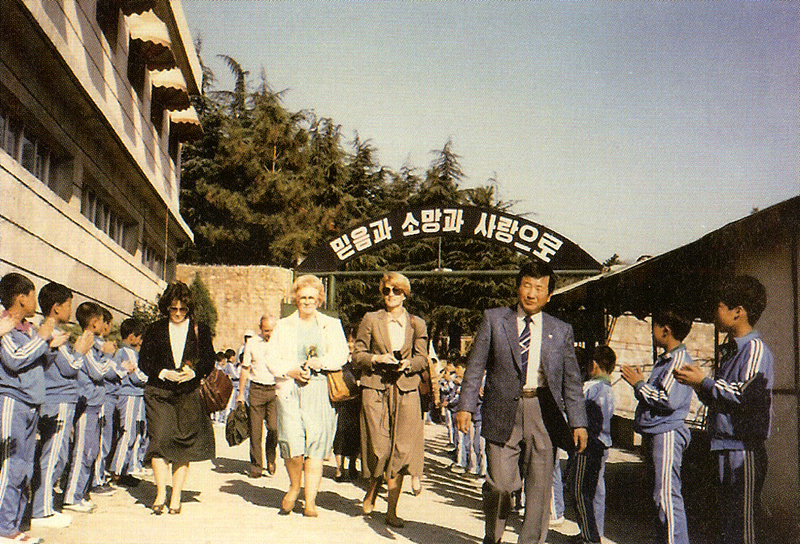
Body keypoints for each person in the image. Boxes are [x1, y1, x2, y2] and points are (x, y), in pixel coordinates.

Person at [456, 260, 588, 544]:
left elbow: (571, 381)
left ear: (548, 295)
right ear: (518, 288)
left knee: (539, 490)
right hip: (502, 410)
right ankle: (493, 537)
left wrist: (579, 422)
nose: (531, 293)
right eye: (527, 285)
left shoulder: (560, 330)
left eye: (539, 288)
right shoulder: (494, 320)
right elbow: (475, 366)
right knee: (500, 485)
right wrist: (465, 405)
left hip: (544, 412)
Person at [674, 276, 774, 544]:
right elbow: (722, 399)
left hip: (743, 450)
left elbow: (745, 394)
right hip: (724, 447)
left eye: (718, 307)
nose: (713, 313)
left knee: (742, 526)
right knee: (728, 524)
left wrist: (704, 383)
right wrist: (698, 385)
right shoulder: (730, 352)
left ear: (737, 312)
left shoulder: (754, 349)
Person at [265, 275, 348, 518]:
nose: (307, 301)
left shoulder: (331, 324)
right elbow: (271, 358)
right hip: (290, 389)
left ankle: (310, 501)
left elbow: (341, 355)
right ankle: (294, 486)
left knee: (316, 445)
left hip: (320, 389)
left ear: (319, 299)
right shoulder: (284, 325)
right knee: (292, 443)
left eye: (312, 297)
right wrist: (289, 370)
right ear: (296, 299)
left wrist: (321, 362)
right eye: (303, 297)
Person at [352, 272, 429, 528]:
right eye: (386, 291)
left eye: (396, 291)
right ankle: (373, 487)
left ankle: (392, 510)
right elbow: (357, 354)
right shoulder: (371, 319)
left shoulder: (417, 323)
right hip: (375, 387)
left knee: (401, 449)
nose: (391, 295)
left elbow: (422, 359)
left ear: (405, 294)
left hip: (406, 390)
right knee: (379, 447)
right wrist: (376, 359)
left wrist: (408, 364)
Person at [138, 281, 216, 515]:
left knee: (183, 445)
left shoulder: (199, 329)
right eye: (174, 309)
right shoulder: (155, 329)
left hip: (187, 393)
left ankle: (176, 495)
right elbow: (144, 361)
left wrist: (194, 372)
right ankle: (161, 492)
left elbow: (209, 359)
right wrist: (163, 372)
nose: (179, 313)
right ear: (166, 307)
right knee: (159, 440)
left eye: (183, 309)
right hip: (159, 393)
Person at [0, 273, 67, 544]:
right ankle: (3, 528)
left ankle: (14, 526)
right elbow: (15, 359)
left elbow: (37, 364)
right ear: (21, 298)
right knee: (11, 466)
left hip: (31, 403)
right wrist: (42, 339)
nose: (35, 302)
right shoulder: (5, 325)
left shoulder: (27, 328)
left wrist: (49, 347)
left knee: (24, 467)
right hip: (13, 401)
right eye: (32, 296)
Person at [621, 308, 694, 544]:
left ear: (665, 330)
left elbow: (668, 399)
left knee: (666, 496)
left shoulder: (678, 362)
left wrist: (639, 384)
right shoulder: (666, 361)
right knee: (660, 496)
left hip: (667, 432)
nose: (651, 331)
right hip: (658, 431)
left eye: (654, 326)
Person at [31, 283, 91, 529]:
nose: (70, 311)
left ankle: (42, 506)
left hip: (55, 399)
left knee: (55, 454)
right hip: (59, 399)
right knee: (54, 454)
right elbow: (70, 367)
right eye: (68, 305)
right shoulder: (53, 332)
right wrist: (80, 351)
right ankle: (41, 510)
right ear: (56, 308)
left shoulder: (45, 330)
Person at [63, 302, 114, 514]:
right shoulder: (86, 344)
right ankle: (72, 496)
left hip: (95, 404)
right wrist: (109, 355)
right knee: (82, 452)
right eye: (102, 321)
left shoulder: (93, 345)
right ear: (94, 323)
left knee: (90, 452)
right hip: (87, 405)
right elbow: (97, 372)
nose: (104, 325)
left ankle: (81, 494)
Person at [573, 345, 616, 544]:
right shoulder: (609, 389)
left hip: (589, 443)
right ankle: (595, 530)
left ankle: (589, 536)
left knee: (580, 490)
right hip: (603, 443)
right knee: (597, 490)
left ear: (594, 365)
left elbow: (576, 409)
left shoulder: (591, 387)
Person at [237, 316, 279, 479]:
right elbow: (245, 368)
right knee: (255, 431)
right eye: (266, 330)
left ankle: (271, 457)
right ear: (260, 328)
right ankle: (256, 466)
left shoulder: (280, 342)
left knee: (274, 428)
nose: (269, 334)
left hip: (274, 390)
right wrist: (241, 393)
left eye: (271, 330)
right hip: (256, 389)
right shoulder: (252, 343)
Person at [109, 318, 147, 486]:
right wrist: (153, 379)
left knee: (135, 432)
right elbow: (137, 376)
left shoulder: (125, 352)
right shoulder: (127, 352)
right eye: (139, 337)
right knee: (128, 433)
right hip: (130, 395)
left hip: (135, 395)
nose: (141, 341)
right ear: (132, 336)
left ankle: (127, 469)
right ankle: (117, 472)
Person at [333, 326, 361, 482]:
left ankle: (352, 464)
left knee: (355, 434)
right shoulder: (340, 358)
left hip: (357, 400)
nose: (350, 345)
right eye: (348, 341)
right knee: (341, 433)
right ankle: (339, 467)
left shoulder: (360, 360)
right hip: (343, 400)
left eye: (353, 341)